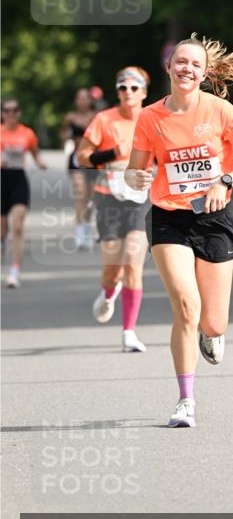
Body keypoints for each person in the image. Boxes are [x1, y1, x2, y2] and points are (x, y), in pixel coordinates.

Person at [125, 34, 233, 428]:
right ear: (168, 66)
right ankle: (185, 400)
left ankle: (212, 333)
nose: (186, 68)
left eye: (194, 64)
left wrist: (225, 180)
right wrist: (135, 178)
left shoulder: (220, 111)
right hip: (169, 217)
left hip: (214, 218)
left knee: (213, 321)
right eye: (180, 61)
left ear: (204, 74)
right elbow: (135, 168)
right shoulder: (151, 117)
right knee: (186, 305)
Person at [77, 68, 151, 353]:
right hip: (108, 198)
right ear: (117, 92)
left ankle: (129, 332)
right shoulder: (104, 119)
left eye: (134, 88)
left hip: (140, 199)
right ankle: (109, 292)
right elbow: (82, 157)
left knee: (133, 260)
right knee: (112, 270)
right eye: (123, 88)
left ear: (144, 92)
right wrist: (111, 153)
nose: (128, 92)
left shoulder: (155, 119)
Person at [1, 99, 48, 287]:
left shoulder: (27, 133)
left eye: (15, 110)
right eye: (7, 110)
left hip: (19, 180)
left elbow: (36, 153)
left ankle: (14, 271)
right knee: (2, 231)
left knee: (18, 226)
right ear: (2, 113)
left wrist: (40, 163)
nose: (11, 114)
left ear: (19, 112)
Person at [60, 87, 97, 249]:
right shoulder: (70, 117)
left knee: (91, 198)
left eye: (85, 98)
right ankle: (79, 232)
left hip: (92, 159)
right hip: (75, 159)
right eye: (80, 98)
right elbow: (62, 134)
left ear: (90, 101)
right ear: (76, 101)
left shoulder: (97, 117)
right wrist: (67, 137)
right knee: (80, 194)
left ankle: (87, 228)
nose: (82, 101)